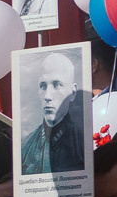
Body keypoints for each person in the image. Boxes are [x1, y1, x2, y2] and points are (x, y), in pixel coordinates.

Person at [19, 49, 87, 177]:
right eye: (43, 86)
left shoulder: (83, 143)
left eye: (57, 85)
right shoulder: (25, 147)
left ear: (72, 92)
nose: (47, 96)